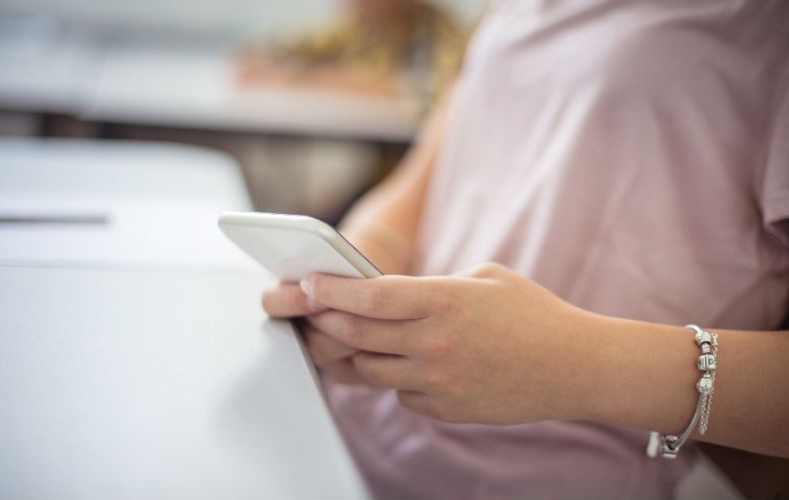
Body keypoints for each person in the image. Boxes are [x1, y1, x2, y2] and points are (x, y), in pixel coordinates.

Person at [262, 0, 789, 498]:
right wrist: (349, 278)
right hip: (342, 433)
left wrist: (576, 362)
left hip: (545, 479)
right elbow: (423, 178)